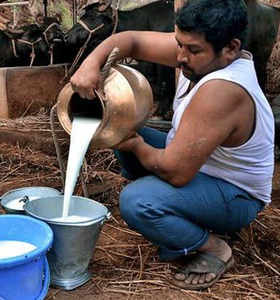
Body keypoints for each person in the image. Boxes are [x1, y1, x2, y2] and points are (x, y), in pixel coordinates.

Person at [70, 0, 274, 290]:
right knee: (120, 128)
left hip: (235, 195)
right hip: (203, 169)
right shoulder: (199, 53)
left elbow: (176, 172)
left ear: (230, 48)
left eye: (192, 50)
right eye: (179, 44)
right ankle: (176, 214)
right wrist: (91, 63)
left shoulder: (223, 90)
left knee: (136, 201)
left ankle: (214, 247)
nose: (179, 56)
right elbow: (128, 40)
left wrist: (137, 146)